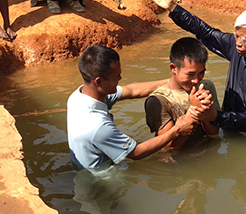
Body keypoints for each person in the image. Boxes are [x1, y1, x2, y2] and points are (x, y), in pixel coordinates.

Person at [145, 0, 246, 134]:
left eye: (245, 39)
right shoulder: (237, 46)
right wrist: (173, 8)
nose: (238, 43)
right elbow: (205, 32)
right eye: (236, 35)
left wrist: (216, 116)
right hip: (227, 123)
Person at [67, 45, 198, 169]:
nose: (121, 78)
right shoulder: (98, 126)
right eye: (116, 77)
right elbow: (136, 153)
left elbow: (131, 90)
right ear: (99, 81)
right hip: (102, 177)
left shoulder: (79, 96)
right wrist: (177, 130)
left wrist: (174, 82)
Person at [145, 37, 220, 149]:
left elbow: (214, 132)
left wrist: (206, 112)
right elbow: (171, 146)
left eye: (201, 73)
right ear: (173, 68)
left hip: (206, 150)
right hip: (177, 159)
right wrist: (194, 111)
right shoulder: (158, 101)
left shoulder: (207, 87)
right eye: (190, 74)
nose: (196, 80)